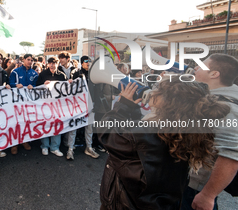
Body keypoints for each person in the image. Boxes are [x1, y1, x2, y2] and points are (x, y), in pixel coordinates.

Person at [98, 77, 230, 210]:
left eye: (158, 89)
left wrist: (123, 105)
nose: (153, 91)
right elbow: (136, 130)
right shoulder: (184, 129)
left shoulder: (146, 134)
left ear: (168, 102)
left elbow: (107, 133)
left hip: (127, 204)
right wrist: (134, 108)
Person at [182, 53, 238, 210]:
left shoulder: (228, 108)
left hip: (195, 189)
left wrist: (208, 195)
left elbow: (231, 158)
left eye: (201, 66)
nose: (195, 68)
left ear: (214, 74)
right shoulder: (213, 97)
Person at [66, 56, 99, 160]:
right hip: (78, 105)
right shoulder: (76, 73)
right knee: (74, 127)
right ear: (82, 63)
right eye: (86, 61)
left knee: (89, 127)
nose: (88, 63)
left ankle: (89, 147)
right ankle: (70, 148)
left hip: (90, 104)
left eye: (89, 61)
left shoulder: (94, 74)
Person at [36, 57, 67, 157]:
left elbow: (67, 89)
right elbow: (37, 87)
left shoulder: (62, 75)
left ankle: (55, 147)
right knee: (45, 125)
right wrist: (42, 85)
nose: (52, 65)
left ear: (58, 64)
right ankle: (45, 146)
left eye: (54, 63)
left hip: (57, 106)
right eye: (50, 63)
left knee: (57, 125)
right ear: (48, 64)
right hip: (45, 105)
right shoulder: (43, 74)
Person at [9, 54, 38, 154]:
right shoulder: (15, 72)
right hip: (16, 102)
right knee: (15, 122)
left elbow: (37, 86)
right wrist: (15, 85)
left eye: (32, 60)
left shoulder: (35, 74)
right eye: (28, 59)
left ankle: (24, 141)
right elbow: (9, 84)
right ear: (24, 60)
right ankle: (14, 144)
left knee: (26, 122)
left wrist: (33, 86)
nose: (30, 61)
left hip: (28, 103)